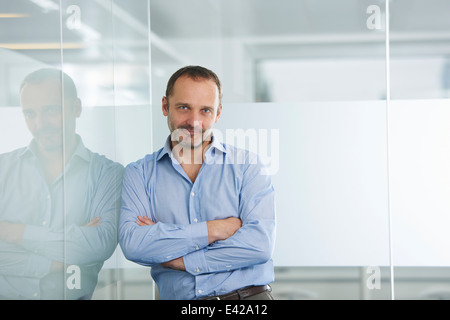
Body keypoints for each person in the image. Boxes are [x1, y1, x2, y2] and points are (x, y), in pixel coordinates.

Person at [119, 65, 276, 300]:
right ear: (165, 106)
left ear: (218, 113)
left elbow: (259, 246)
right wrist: (214, 230)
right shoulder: (139, 173)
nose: (194, 121)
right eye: (184, 107)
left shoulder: (247, 166)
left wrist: (179, 259)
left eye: (205, 111)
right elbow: (134, 244)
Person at [0, 68, 123, 299]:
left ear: (76, 108)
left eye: (50, 111)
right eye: (30, 114)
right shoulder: (2, 169)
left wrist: (15, 233)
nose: (39, 124)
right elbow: (84, 250)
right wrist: (56, 262)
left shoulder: (107, 174)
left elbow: (99, 245)